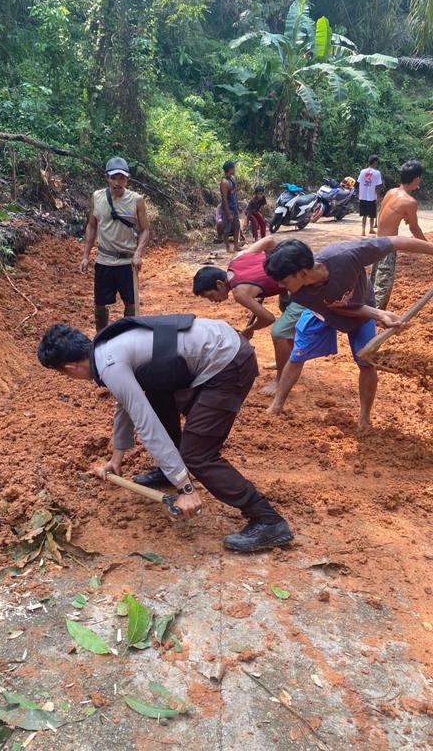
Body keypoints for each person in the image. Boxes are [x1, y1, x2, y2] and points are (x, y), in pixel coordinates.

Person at [37, 316, 294, 552]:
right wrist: (117, 458)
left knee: (197, 455)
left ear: (70, 367)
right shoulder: (104, 348)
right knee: (158, 394)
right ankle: (169, 471)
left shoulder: (109, 363)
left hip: (227, 360)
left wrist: (185, 487)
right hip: (218, 345)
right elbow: (124, 403)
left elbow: (147, 426)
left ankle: (267, 520)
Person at [263, 236, 433, 429]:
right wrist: (378, 314)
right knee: (297, 356)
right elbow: (334, 308)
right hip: (324, 313)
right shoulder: (299, 293)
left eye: (284, 281)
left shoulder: (345, 255)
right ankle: (277, 406)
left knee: (366, 363)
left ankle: (364, 418)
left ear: (303, 273)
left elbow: (397, 242)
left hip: (361, 304)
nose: (281, 287)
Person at [192, 236, 304, 396]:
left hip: (304, 287)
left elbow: (268, 318)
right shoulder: (237, 260)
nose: (212, 301)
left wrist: (250, 329)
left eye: (210, 295)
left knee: (279, 331)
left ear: (219, 284)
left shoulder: (239, 292)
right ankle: (286, 362)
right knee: (285, 309)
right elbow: (270, 241)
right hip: (291, 284)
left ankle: (280, 381)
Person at [79, 157, 150, 331]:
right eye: (114, 178)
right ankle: (101, 337)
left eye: (122, 178)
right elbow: (91, 225)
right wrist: (85, 256)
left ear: (127, 179)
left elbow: (145, 230)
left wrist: (137, 253)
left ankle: (129, 337)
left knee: (131, 304)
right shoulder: (97, 197)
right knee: (100, 304)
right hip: (104, 260)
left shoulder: (136, 200)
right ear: (107, 178)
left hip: (127, 263)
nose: (118, 182)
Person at [372, 159, 427, 310]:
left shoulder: (391, 192)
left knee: (374, 281)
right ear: (416, 179)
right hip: (387, 247)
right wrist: (429, 247)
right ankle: (374, 320)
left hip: (376, 242)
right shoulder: (409, 202)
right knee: (383, 286)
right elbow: (414, 229)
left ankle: (367, 312)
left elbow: (384, 214)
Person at [215, 160, 242, 252]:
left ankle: (236, 245)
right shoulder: (224, 182)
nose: (235, 169)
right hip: (227, 209)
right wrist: (228, 212)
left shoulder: (232, 179)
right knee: (227, 228)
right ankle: (227, 247)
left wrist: (237, 205)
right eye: (234, 167)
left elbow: (235, 194)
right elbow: (224, 199)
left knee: (237, 226)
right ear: (230, 169)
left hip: (234, 207)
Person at [357, 155, 383, 236]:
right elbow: (378, 186)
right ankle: (371, 229)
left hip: (363, 196)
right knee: (372, 215)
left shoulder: (362, 171)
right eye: (377, 162)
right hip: (372, 197)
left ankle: (363, 231)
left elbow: (359, 183)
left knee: (364, 215)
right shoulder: (377, 173)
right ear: (375, 162)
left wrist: (359, 193)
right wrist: (378, 197)